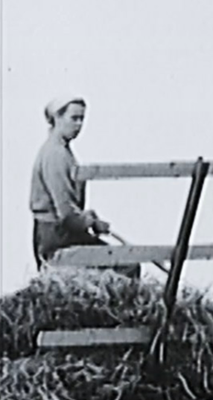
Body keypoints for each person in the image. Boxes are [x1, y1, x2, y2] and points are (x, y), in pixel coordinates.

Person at [30, 96, 135, 277]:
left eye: (82, 119)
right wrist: (90, 222)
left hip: (58, 234)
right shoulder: (55, 155)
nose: (79, 125)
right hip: (57, 237)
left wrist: (89, 218)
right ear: (57, 118)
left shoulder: (62, 151)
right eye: (74, 118)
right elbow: (66, 214)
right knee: (127, 266)